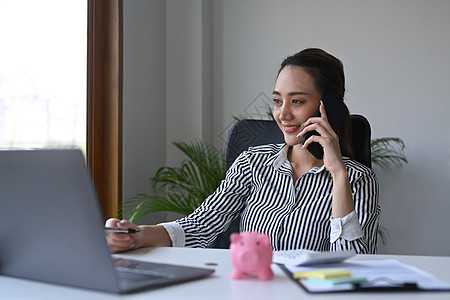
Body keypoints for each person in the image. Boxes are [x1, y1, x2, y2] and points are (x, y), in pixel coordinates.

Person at [106, 48, 380, 254]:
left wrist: (338, 176)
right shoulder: (253, 163)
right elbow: (199, 225)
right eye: (277, 100)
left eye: (297, 101)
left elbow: (353, 265)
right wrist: (137, 235)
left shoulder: (357, 179)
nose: (283, 114)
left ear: (329, 108)